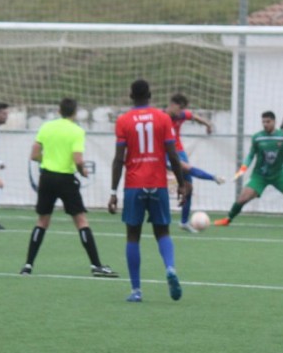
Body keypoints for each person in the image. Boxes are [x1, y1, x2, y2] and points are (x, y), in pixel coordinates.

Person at [107, 79, 190, 303]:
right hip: (158, 183)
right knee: (162, 232)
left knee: (132, 236)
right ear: (150, 94)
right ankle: (170, 268)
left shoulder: (124, 121)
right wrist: (181, 184)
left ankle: (136, 291)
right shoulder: (163, 118)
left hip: (134, 185)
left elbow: (118, 159)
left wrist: (113, 191)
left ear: (130, 96)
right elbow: (173, 156)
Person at [19, 98, 117, 278]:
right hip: (65, 179)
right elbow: (78, 159)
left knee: (42, 221)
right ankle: (96, 265)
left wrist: (48, 161)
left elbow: (34, 155)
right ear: (75, 112)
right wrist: (83, 171)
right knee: (81, 221)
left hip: (47, 177)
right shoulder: (76, 131)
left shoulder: (46, 127)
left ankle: (28, 265)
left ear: (59, 110)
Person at [213, 111, 283, 230]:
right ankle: (227, 219)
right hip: (260, 176)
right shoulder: (257, 137)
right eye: (263, 122)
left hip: (279, 174)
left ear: (274, 121)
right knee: (242, 198)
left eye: (268, 122)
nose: (265, 124)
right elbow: (251, 155)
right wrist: (243, 167)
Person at [165, 93, 224, 233]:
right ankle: (213, 177)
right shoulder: (161, 117)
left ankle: (184, 222)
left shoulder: (181, 115)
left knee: (189, 188)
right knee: (185, 168)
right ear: (172, 105)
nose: (181, 113)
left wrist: (208, 124)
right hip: (164, 153)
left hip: (179, 151)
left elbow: (194, 116)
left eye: (182, 110)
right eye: (179, 109)